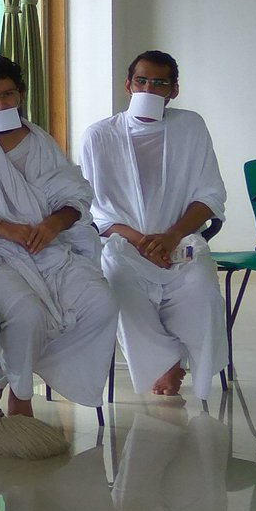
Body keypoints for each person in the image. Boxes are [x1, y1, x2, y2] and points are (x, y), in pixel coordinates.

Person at [0, 56, 115, 421]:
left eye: (7, 95)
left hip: (46, 247)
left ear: (21, 95)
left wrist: (53, 225)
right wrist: (4, 229)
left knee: (101, 303)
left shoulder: (40, 142)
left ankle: (6, 372)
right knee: (27, 314)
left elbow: (76, 199)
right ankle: (20, 396)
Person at [80, 51, 226, 398]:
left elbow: (210, 193)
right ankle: (166, 363)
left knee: (202, 289)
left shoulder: (190, 127)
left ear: (173, 91)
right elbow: (92, 209)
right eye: (141, 81)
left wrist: (171, 236)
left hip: (180, 241)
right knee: (118, 286)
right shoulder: (99, 136)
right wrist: (140, 240)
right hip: (123, 245)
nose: (149, 89)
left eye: (159, 83)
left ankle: (193, 363)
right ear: (128, 85)